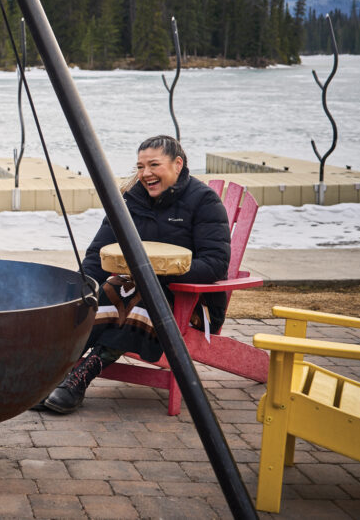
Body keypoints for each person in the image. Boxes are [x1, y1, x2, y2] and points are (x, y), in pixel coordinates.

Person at [37, 135, 230, 414]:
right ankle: (52, 377)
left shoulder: (204, 201)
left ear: (178, 164)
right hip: (135, 291)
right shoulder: (130, 200)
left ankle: (81, 378)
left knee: (136, 292)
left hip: (191, 305)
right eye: (140, 166)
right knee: (106, 291)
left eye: (154, 165)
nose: (145, 174)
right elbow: (98, 253)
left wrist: (157, 275)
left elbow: (215, 263)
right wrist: (79, 291)